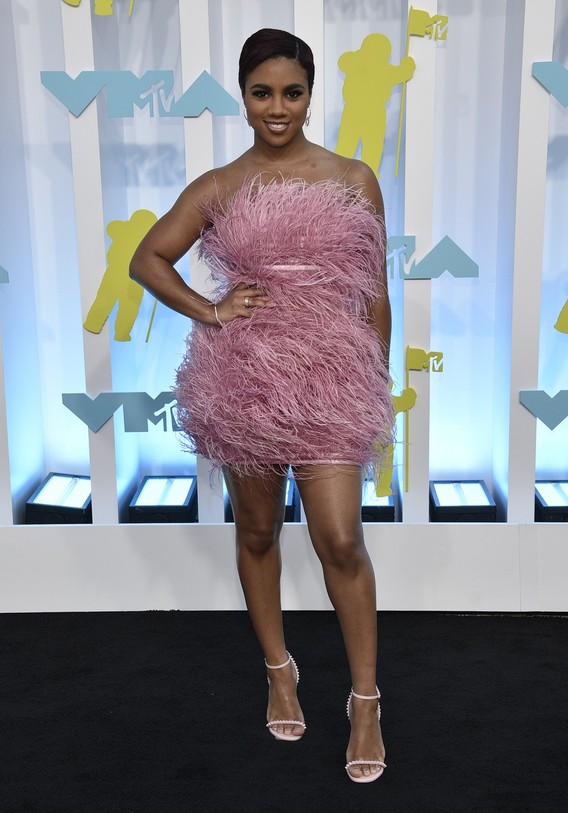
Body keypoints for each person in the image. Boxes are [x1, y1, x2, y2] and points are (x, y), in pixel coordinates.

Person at [129, 28, 394, 784]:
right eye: (262, 93)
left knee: (341, 539)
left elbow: (375, 293)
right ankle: (280, 668)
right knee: (255, 528)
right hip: (243, 380)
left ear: (312, 94)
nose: (278, 108)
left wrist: (372, 384)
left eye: (293, 92)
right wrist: (209, 312)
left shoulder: (352, 176)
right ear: (243, 95)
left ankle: (366, 701)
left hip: (333, 378)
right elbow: (147, 257)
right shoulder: (220, 184)